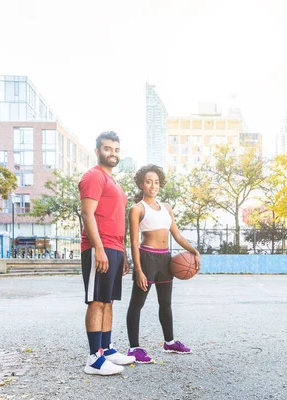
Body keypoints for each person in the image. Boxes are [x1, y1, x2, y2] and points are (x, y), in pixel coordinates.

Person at [126, 164, 201, 363]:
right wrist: (139, 269)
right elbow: (133, 242)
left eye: (156, 182)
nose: (153, 186)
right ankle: (134, 348)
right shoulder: (137, 209)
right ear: (142, 184)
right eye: (149, 182)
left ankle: (169, 342)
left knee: (165, 304)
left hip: (165, 259)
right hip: (147, 258)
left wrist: (194, 251)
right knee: (137, 304)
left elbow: (176, 235)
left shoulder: (167, 208)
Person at [79, 131, 135, 376]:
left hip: (114, 248)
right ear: (97, 151)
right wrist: (99, 247)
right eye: (107, 148)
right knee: (97, 301)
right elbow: (87, 214)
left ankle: (106, 349)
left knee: (109, 301)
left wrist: (122, 253)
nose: (112, 153)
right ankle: (93, 358)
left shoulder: (114, 182)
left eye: (116, 149)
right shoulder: (94, 176)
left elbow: (116, 219)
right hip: (98, 247)